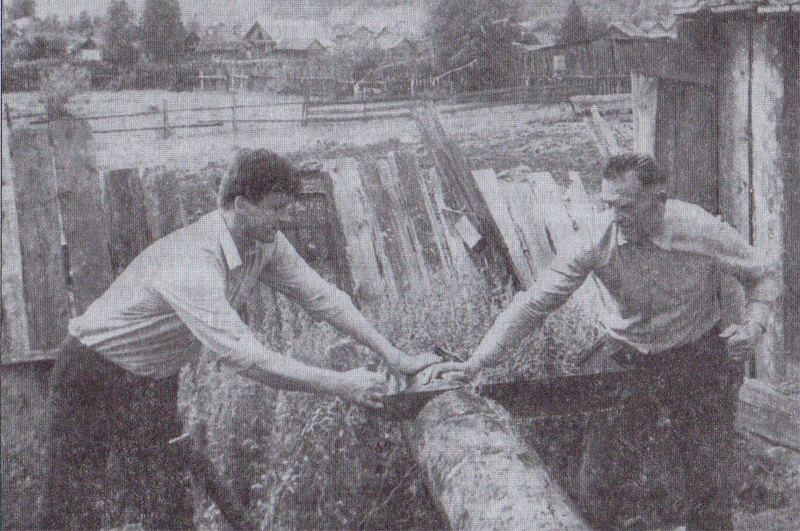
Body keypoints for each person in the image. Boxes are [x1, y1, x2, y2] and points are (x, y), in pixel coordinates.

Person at [40, 148, 440, 531]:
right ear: (240, 204)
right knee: (73, 510)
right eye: (276, 207)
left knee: (168, 509)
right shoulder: (193, 260)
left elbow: (324, 299)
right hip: (91, 373)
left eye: (287, 207)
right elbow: (249, 360)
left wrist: (394, 355)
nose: (283, 219)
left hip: (152, 380)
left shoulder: (263, 243)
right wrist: (341, 384)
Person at [423, 153, 779, 530]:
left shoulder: (699, 228)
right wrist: (476, 362)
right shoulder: (594, 238)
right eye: (608, 204)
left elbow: (765, 276)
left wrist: (752, 327)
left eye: (626, 207)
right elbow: (534, 304)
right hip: (627, 357)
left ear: (658, 199)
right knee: (599, 487)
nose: (616, 216)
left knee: (707, 487)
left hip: (696, 355)